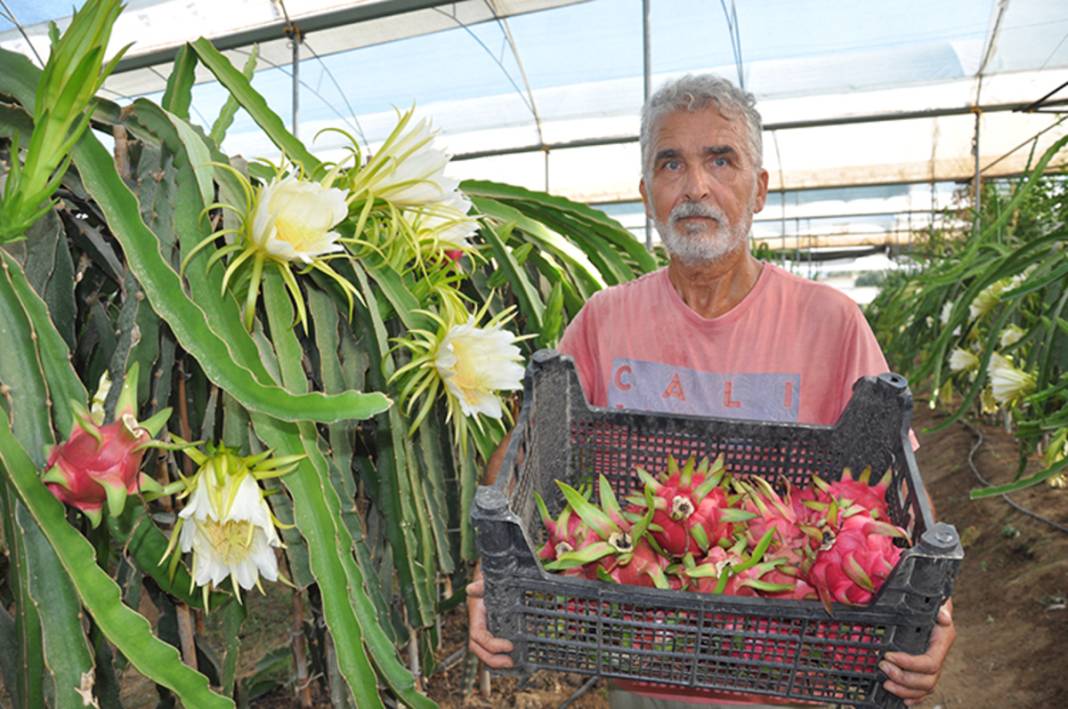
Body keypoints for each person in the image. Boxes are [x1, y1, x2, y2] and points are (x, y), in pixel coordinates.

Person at [467, 73, 955, 708]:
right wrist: (494, 569)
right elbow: (526, 453)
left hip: (791, 676)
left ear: (759, 189)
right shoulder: (604, 318)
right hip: (640, 666)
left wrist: (932, 609)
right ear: (647, 193)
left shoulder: (831, 323)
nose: (695, 186)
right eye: (671, 163)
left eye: (720, 160)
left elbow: (901, 489)